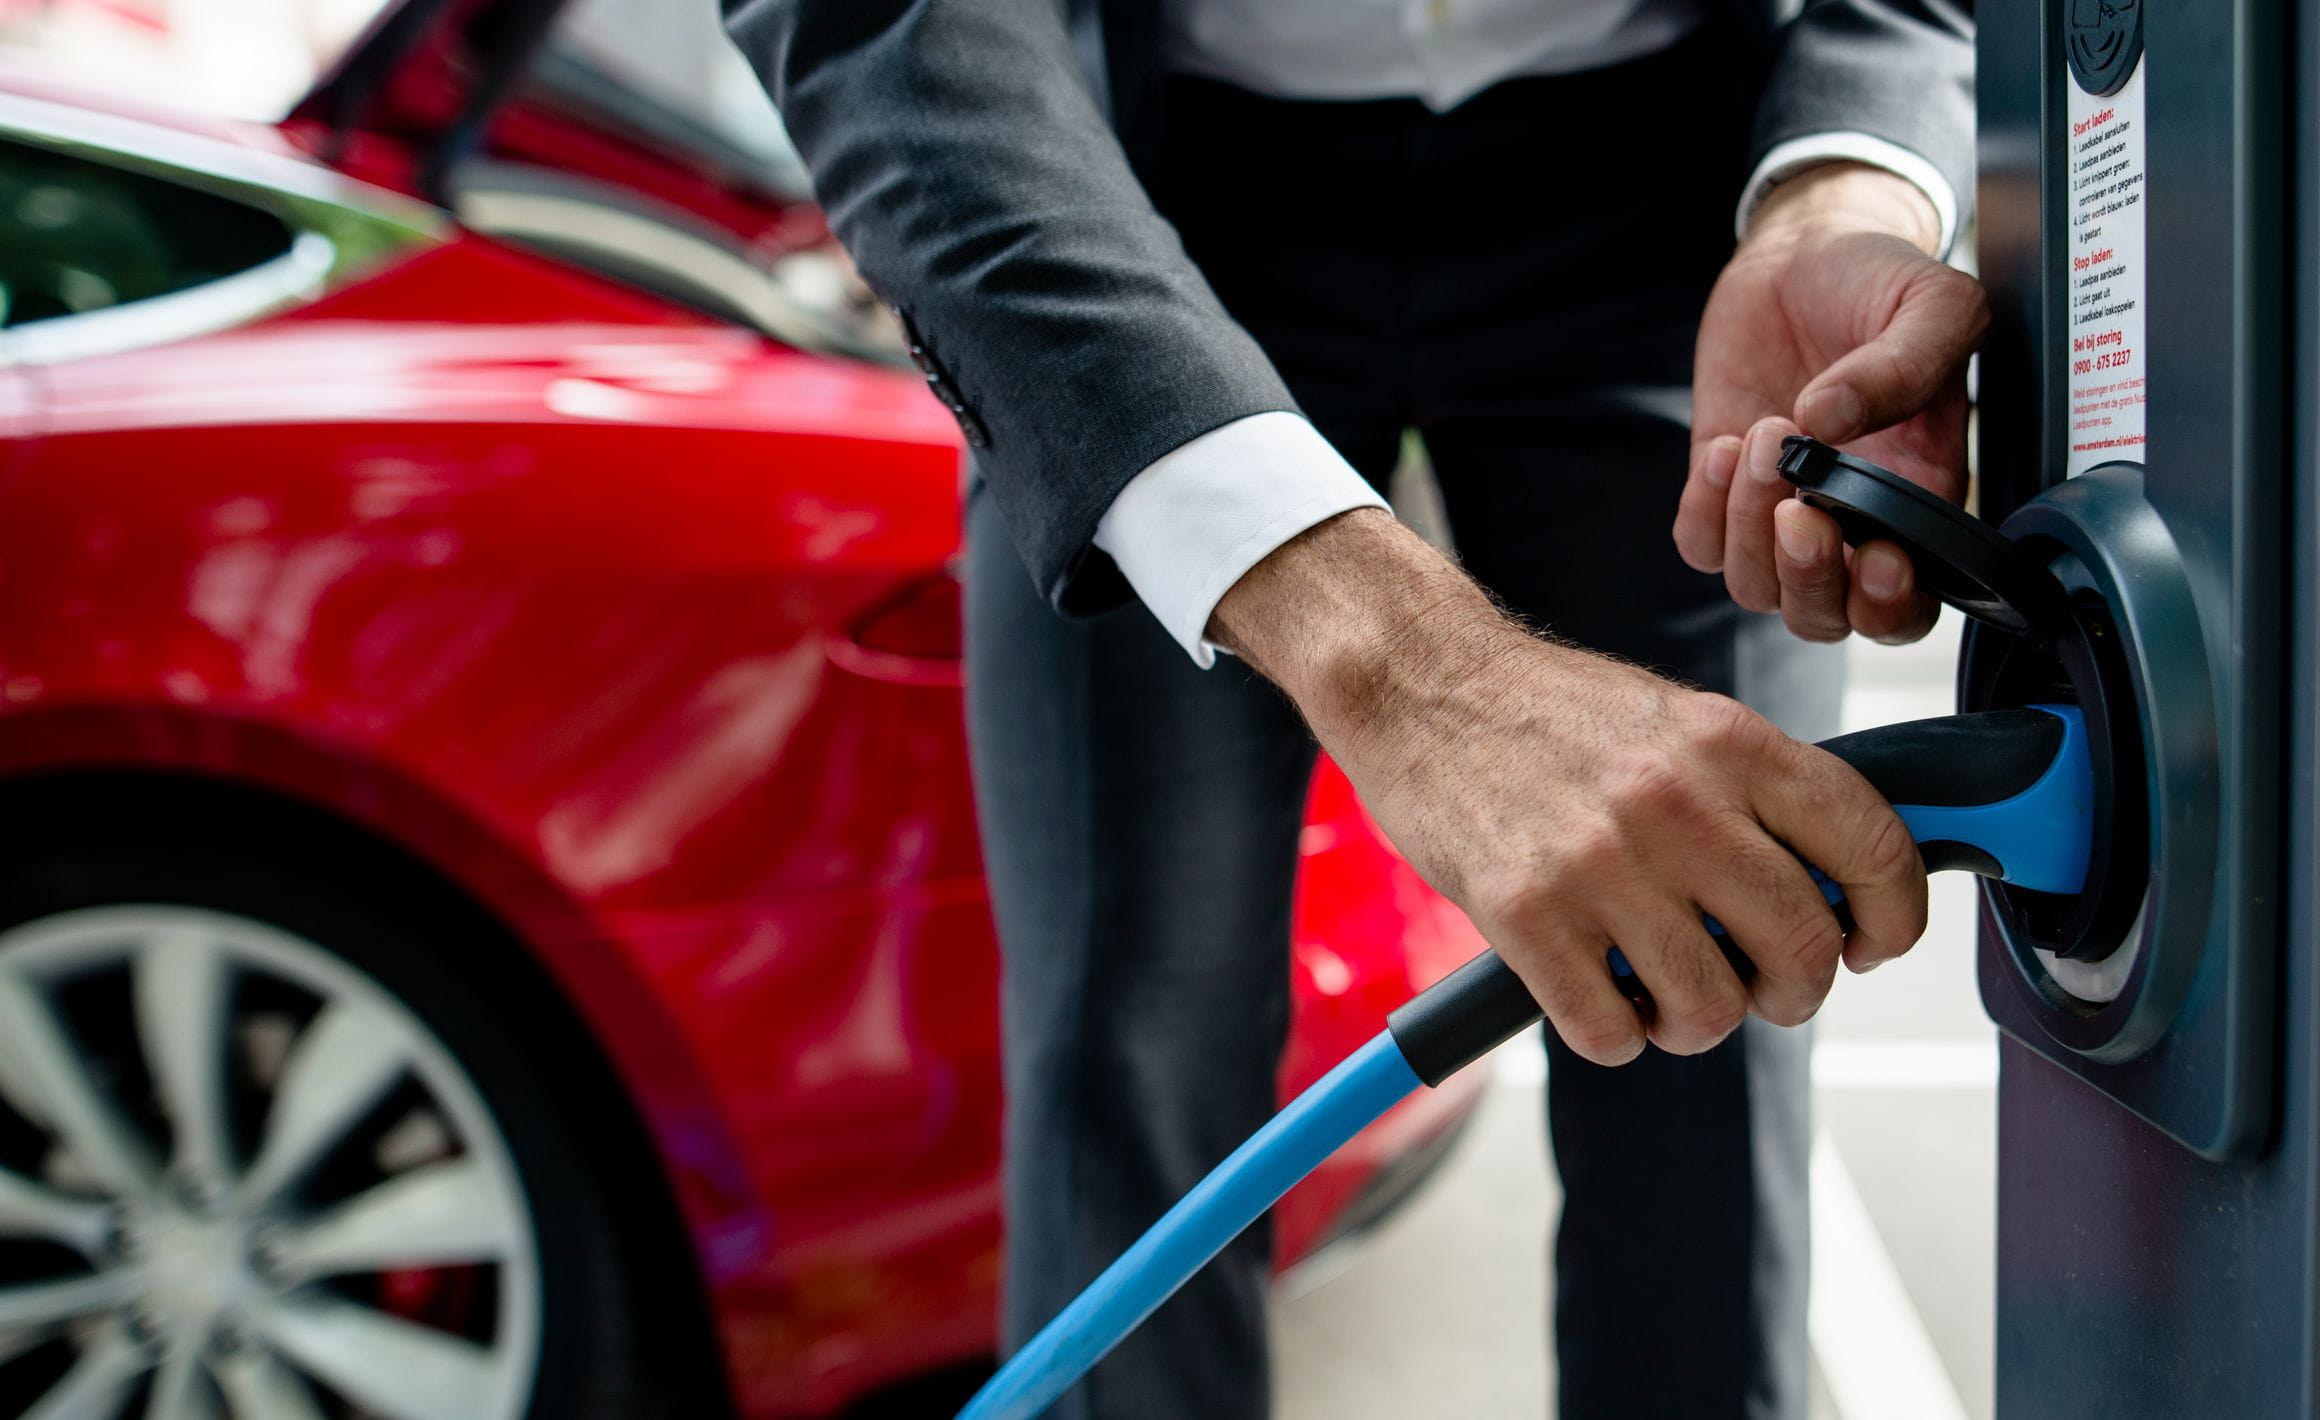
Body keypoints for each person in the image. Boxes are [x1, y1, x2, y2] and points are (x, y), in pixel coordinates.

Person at [725, 2, 1983, 1415]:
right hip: (1130, 220)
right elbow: (887, 34)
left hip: (1680, 209)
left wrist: (1840, 185)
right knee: (1132, 1052)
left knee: (1715, 1016)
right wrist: (1413, 679)